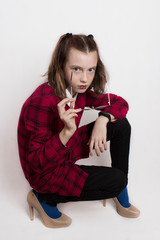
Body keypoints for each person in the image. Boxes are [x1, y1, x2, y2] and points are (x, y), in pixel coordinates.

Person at [17, 33, 140, 228]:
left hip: (64, 152)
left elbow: (119, 103)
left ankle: (120, 189)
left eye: (90, 69)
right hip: (45, 173)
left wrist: (103, 118)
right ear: (61, 66)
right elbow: (36, 164)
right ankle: (44, 197)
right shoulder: (41, 101)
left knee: (120, 124)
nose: (85, 78)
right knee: (116, 180)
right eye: (76, 69)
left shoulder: (78, 90)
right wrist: (65, 133)